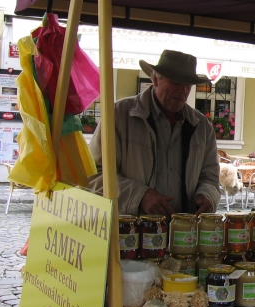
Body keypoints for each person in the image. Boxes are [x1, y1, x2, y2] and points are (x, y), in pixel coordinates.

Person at [89, 49, 220, 216]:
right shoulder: (119, 115)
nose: (183, 90)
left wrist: (207, 195)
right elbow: (94, 176)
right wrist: (139, 195)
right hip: (131, 232)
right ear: (156, 79)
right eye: (176, 82)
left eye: (188, 84)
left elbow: (210, 178)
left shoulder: (202, 126)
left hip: (185, 234)